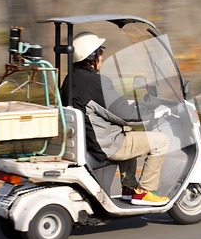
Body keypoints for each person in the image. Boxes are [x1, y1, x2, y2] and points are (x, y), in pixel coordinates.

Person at [61, 32, 170, 206]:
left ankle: (128, 188)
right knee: (161, 141)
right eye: (100, 53)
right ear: (91, 56)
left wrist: (131, 106)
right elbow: (125, 116)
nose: (102, 57)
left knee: (127, 131)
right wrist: (155, 113)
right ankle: (144, 192)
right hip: (104, 145)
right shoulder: (95, 82)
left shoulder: (70, 80)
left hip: (87, 140)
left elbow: (104, 108)